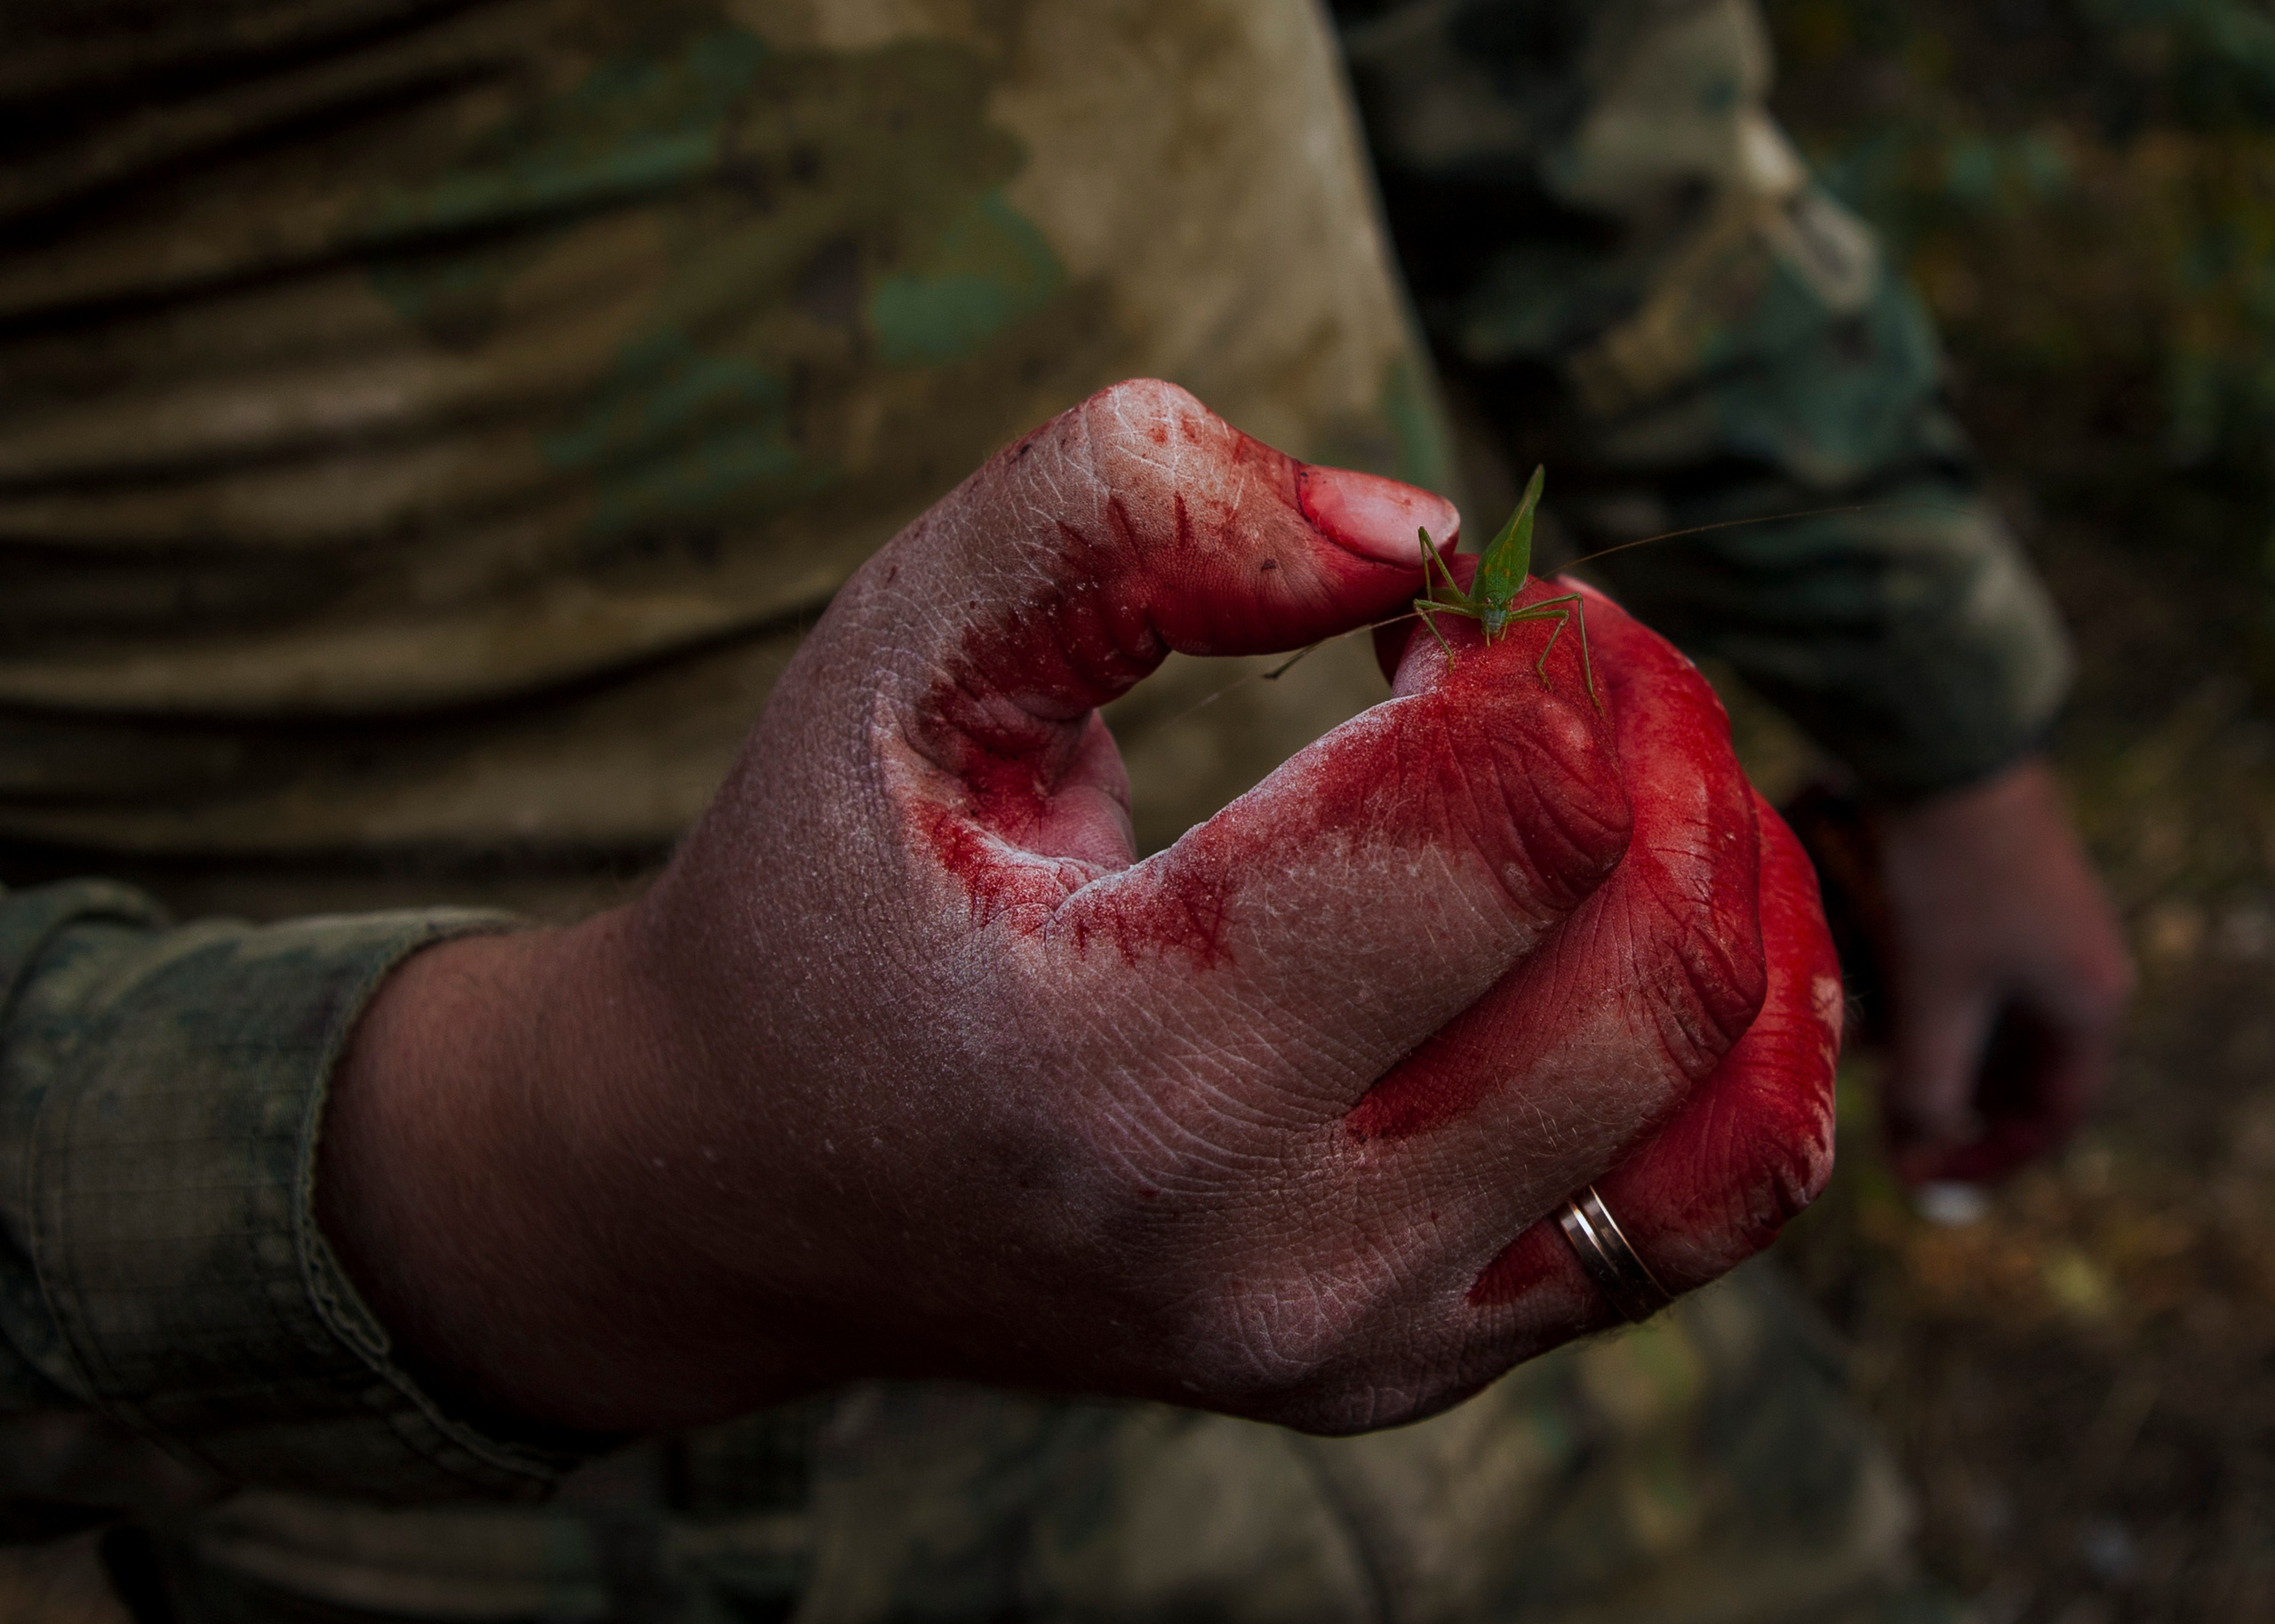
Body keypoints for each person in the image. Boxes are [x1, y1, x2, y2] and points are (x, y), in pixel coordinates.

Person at [0, 2, 2132, 1620]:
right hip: (610, 1479)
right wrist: (605, 1148)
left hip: (1550, 1258)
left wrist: (1937, 698)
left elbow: (1550, 73)